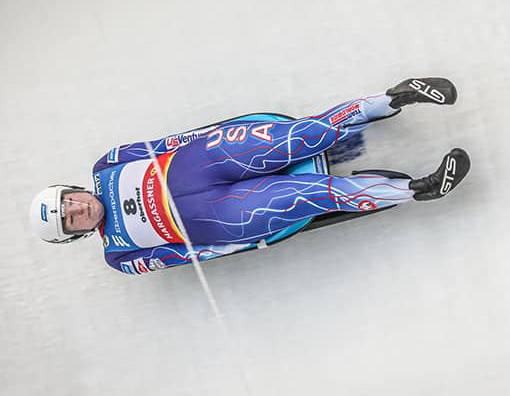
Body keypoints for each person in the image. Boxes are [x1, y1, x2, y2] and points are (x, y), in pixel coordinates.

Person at [28, 78, 471, 274]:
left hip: (209, 158)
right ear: (76, 235)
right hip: (224, 215)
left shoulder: (107, 165)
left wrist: (219, 133)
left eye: (68, 201)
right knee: (315, 193)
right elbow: (190, 255)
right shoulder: (119, 255)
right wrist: (247, 243)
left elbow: (168, 143)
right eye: (69, 220)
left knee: (305, 135)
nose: (76, 210)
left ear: (72, 190)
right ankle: (421, 189)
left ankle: (397, 96)